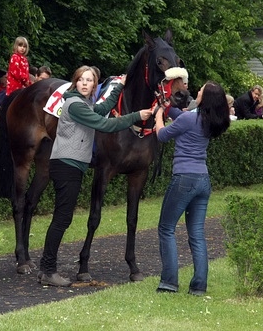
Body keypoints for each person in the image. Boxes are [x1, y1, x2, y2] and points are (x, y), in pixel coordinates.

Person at [38, 65, 153, 287]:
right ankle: (48, 270)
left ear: (94, 85)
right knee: (62, 219)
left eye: (89, 80)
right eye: (81, 79)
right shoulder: (74, 104)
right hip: (66, 165)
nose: (84, 83)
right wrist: (136, 116)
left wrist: (118, 87)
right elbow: (104, 123)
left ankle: (46, 268)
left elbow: (103, 109)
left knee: (63, 218)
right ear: (75, 82)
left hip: (72, 165)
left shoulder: (84, 104)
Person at [154, 81, 231, 295]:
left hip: (184, 179)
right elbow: (181, 117)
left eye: (200, 91)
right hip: (203, 180)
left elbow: (162, 135)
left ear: (204, 98)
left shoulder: (190, 119)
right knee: (196, 234)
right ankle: (198, 286)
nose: (197, 92)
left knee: (166, 228)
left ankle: (169, 282)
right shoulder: (209, 120)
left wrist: (158, 115)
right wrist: (167, 106)